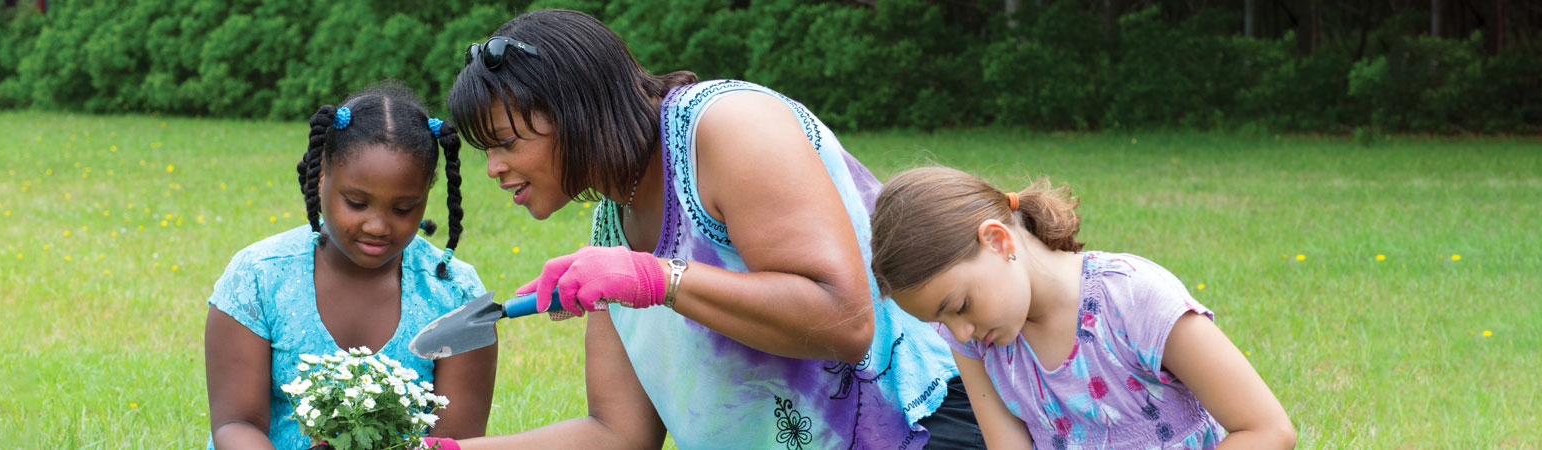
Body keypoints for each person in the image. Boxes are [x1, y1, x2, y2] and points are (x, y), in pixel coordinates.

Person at [420, 9, 982, 450]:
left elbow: (845, 319)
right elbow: (617, 434)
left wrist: (657, 278)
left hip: (927, 425)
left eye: (506, 141)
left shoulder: (724, 126)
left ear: (574, 109)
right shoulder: (611, 228)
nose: (492, 168)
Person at [867, 166, 1296, 449]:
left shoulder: (1132, 298)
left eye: (959, 306)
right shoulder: (979, 344)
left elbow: (1267, 430)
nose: (959, 333)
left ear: (997, 241)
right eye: (939, 321)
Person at [204, 83, 496, 450]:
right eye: (357, 202)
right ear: (322, 176)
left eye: (403, 209)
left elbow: (457, 440)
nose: (377, 226)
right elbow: (236, 422)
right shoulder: (259, 277)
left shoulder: (456, 295)